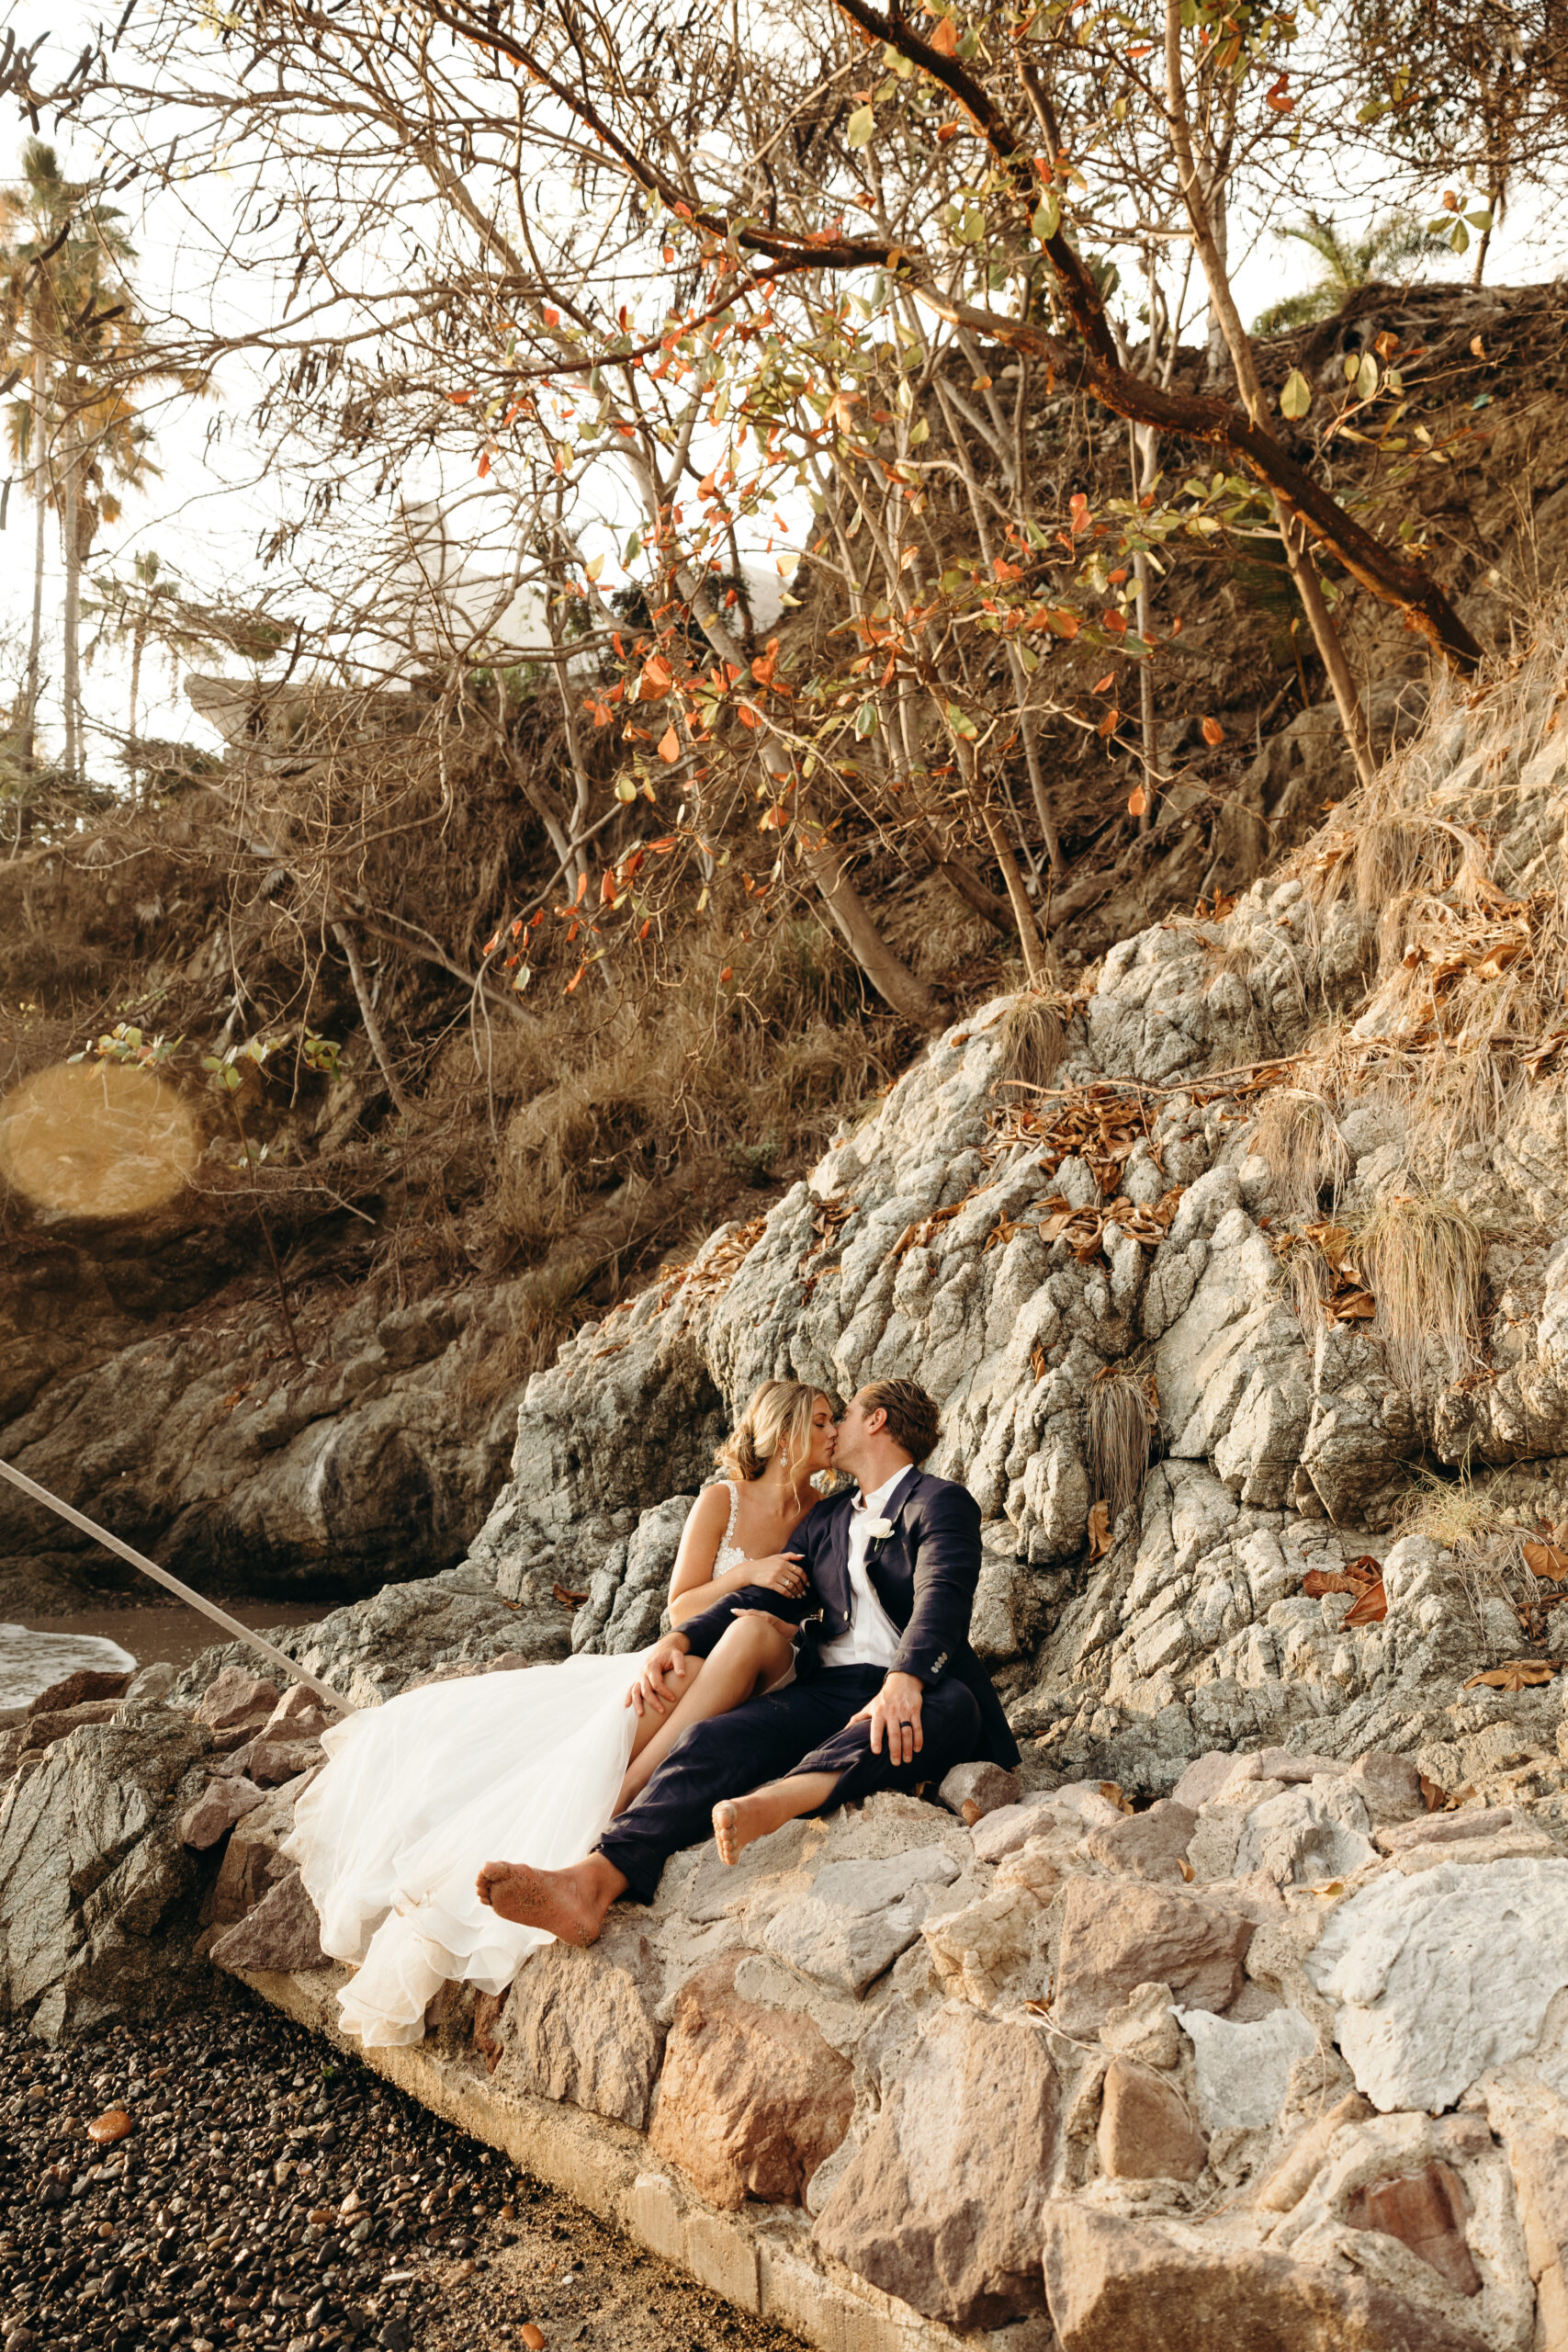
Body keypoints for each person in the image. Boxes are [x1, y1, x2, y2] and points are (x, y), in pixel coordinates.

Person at [281, 1378, 838, 2047]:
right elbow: (682, 1604)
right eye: (822, 1421)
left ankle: (619, 1803)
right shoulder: (723, 1499)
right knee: (645, 1698)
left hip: (767, 1662)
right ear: (784, 1432)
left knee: (688, 1680)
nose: (833, 1432)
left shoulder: (825, 1512)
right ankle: (575, 1827)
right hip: (693, 1654)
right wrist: (749, 1574)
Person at [475, 1378, 1017, 1950]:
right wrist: (680, 1638)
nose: (835, 1428)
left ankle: (777, 1801)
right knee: (709, 1738)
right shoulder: (827, 1519)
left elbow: (942, 1592)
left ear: (876, 1421)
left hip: (911, 1686)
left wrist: (905, 1680)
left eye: (846, 1414)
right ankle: (591, 1882)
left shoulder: (939, 1501)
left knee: (953, 1707)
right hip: (828, 1691)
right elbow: (767, 1597)